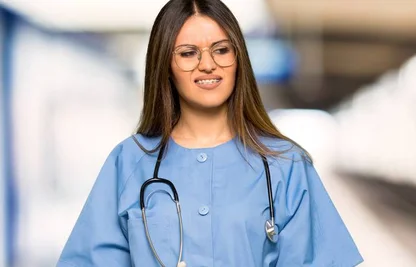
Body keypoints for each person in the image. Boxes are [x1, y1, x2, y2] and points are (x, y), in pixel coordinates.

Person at [56, 0, 363, 266]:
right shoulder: (128, 161)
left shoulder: (287, 166)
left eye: (221, 50)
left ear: (238, 58)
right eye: (188, 53)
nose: (208, 65)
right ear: (165, 65)